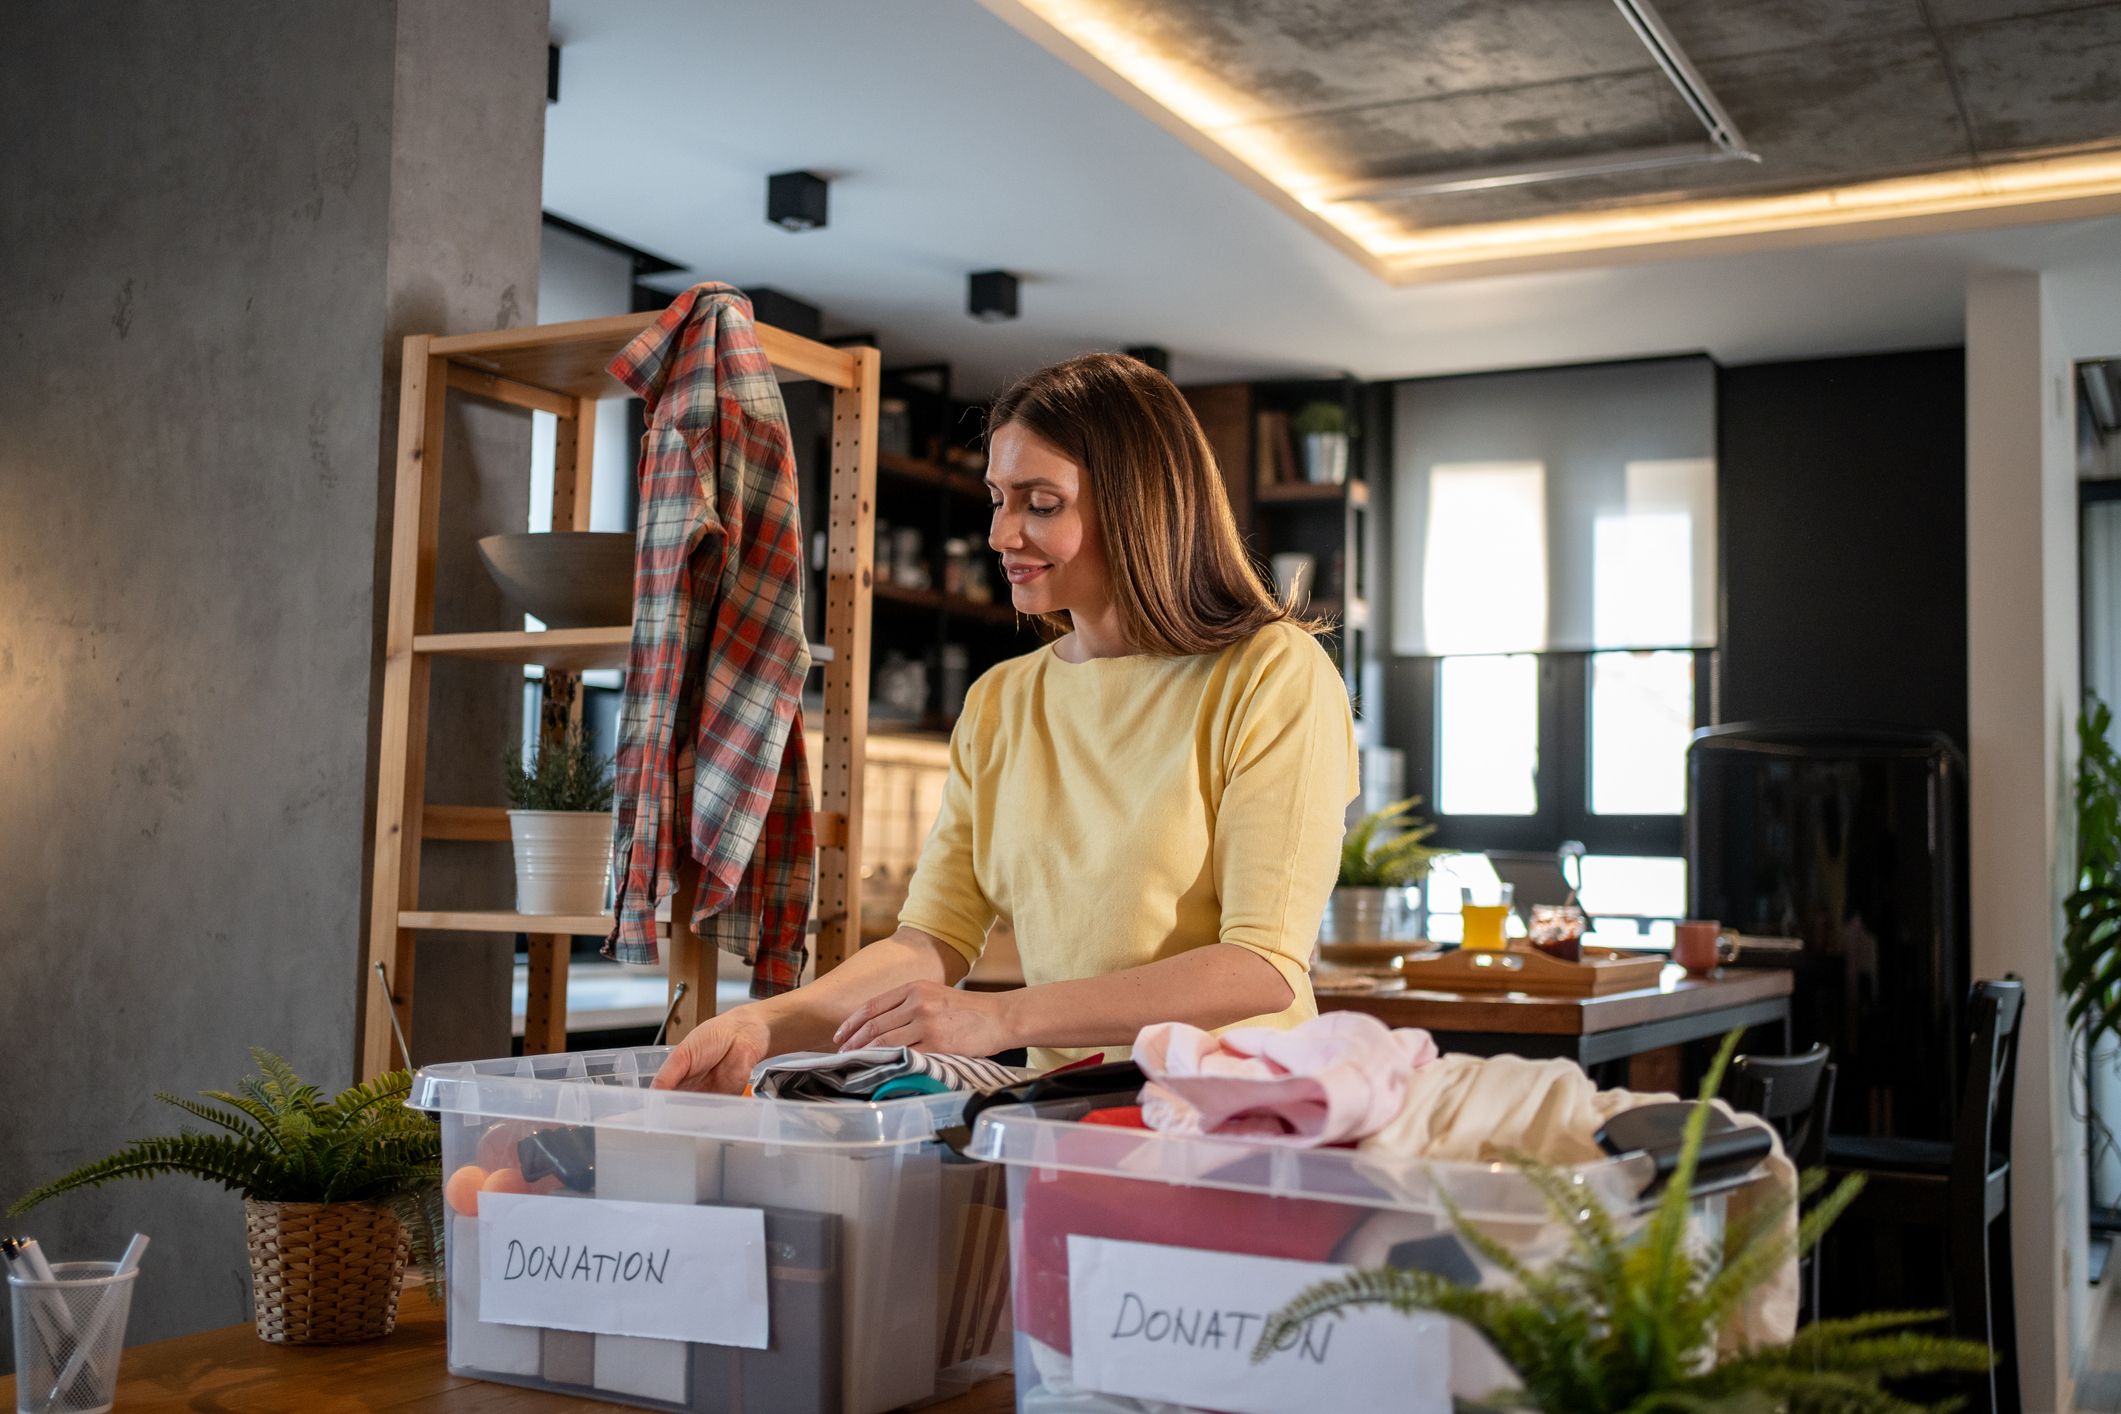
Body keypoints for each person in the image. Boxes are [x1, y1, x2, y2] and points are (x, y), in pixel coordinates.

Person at [653, 353, 1357, 1091]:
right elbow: (931, 939)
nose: (1000, 533)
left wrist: (1001, 1017)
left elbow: (1260, 966)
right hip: (1070, 1109)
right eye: (997, 498)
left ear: (1139, 504)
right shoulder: (1003, 700)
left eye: (1040, 503)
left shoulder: (1271, 671)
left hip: (1237, 1107)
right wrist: (764, 1023)